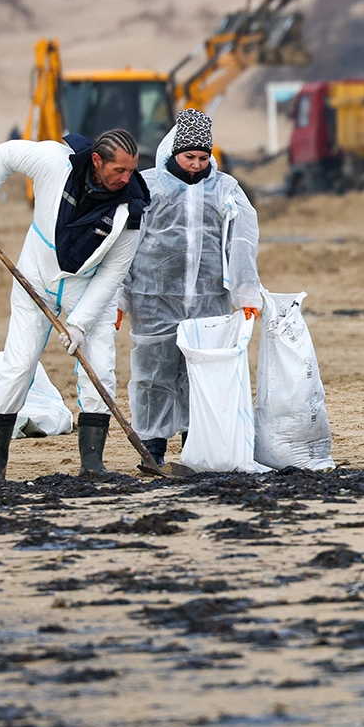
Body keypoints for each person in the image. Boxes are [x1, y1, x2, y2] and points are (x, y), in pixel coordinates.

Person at [0, 128, 150, 481]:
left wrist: (80, 324)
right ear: (96, 160)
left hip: (88, 287)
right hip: (36, 279)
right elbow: (5, 154)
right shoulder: (53, 162)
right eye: (118, 170)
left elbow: (113, 274)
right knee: (19, 365)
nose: (127, 178)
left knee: (100, 371)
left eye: (131, 170)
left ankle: (92, 465)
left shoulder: (132, 210)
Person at [121, 109, 261, 467]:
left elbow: (242, 241)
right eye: (189, 157)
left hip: (209, 298)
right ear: (174, 153)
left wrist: (246, 293)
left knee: (200, 373)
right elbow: (124, 246)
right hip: (152, 298)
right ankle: (151, 448)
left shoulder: (226, 188)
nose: (197, 164)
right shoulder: (147, 186)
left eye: (203, 157)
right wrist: (118, 297)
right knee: (154, 372)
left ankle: (194, 444)